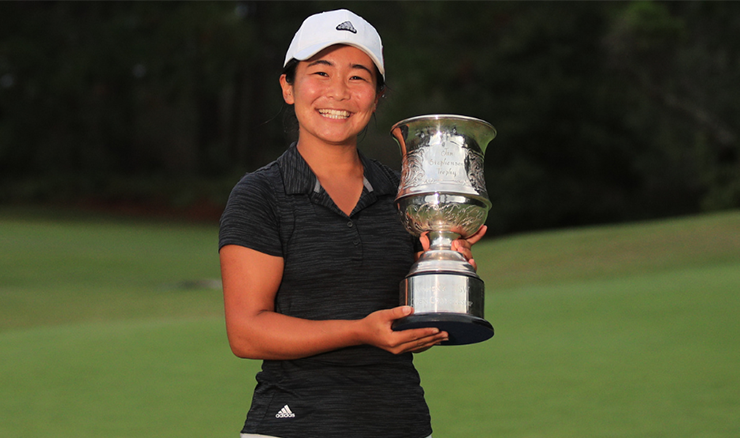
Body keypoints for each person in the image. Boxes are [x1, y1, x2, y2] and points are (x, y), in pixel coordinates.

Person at [219, 9, 486, 438]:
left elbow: (421, 311)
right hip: (292, 424)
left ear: (378, 97)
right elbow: (247, 333)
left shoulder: (404, 195)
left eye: (358, 77)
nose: (338, 92)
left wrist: (447, 260)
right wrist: (360, 331)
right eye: (320, 72)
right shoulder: (259, 195)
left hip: (401, 422)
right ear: (288, 87)